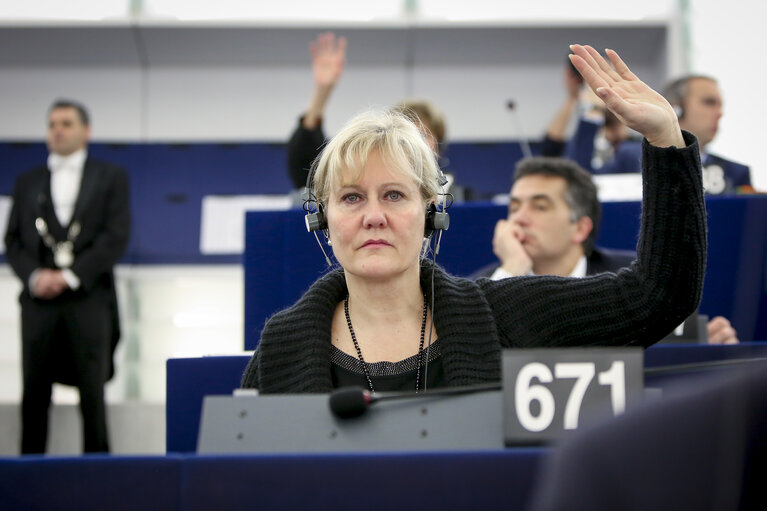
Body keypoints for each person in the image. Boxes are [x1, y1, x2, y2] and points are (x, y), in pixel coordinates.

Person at [241, 45, 706, 394]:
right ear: (322, 218)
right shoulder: (282, 347)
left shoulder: (508, 315)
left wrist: (665, 136)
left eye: (395, 195)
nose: (374, 217)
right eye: (351, 198)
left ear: (431, 212)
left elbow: (660, 295)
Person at [470, 157, 738, 345]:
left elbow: (669, 347)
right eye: (515, 207)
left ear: (580, 228)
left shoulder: (638, 282)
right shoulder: (481, 286)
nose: (520, 219)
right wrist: (511, 272)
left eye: (539, 207)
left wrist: (702, 347)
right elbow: (471, 353)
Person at [4, 99, 130, 453]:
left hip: (88, 300)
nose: (58, 130)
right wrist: (34, 277)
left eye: (66, 123)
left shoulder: (110, 177)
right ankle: (26, 482)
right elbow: (12, 240)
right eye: (52, 124)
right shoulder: (27, 181)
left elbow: (116, 236)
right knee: (34, 395)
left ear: (85, 131)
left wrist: (71, 276)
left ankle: (99, 481)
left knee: (92, 396)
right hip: (38, 304)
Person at [285, 33, 466, 199]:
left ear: (438, 147)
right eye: (407, 137)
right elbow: (307, 171)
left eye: (424, 135)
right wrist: (322, 92)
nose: (415, 144)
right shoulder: (363, 189)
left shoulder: (460, 199)